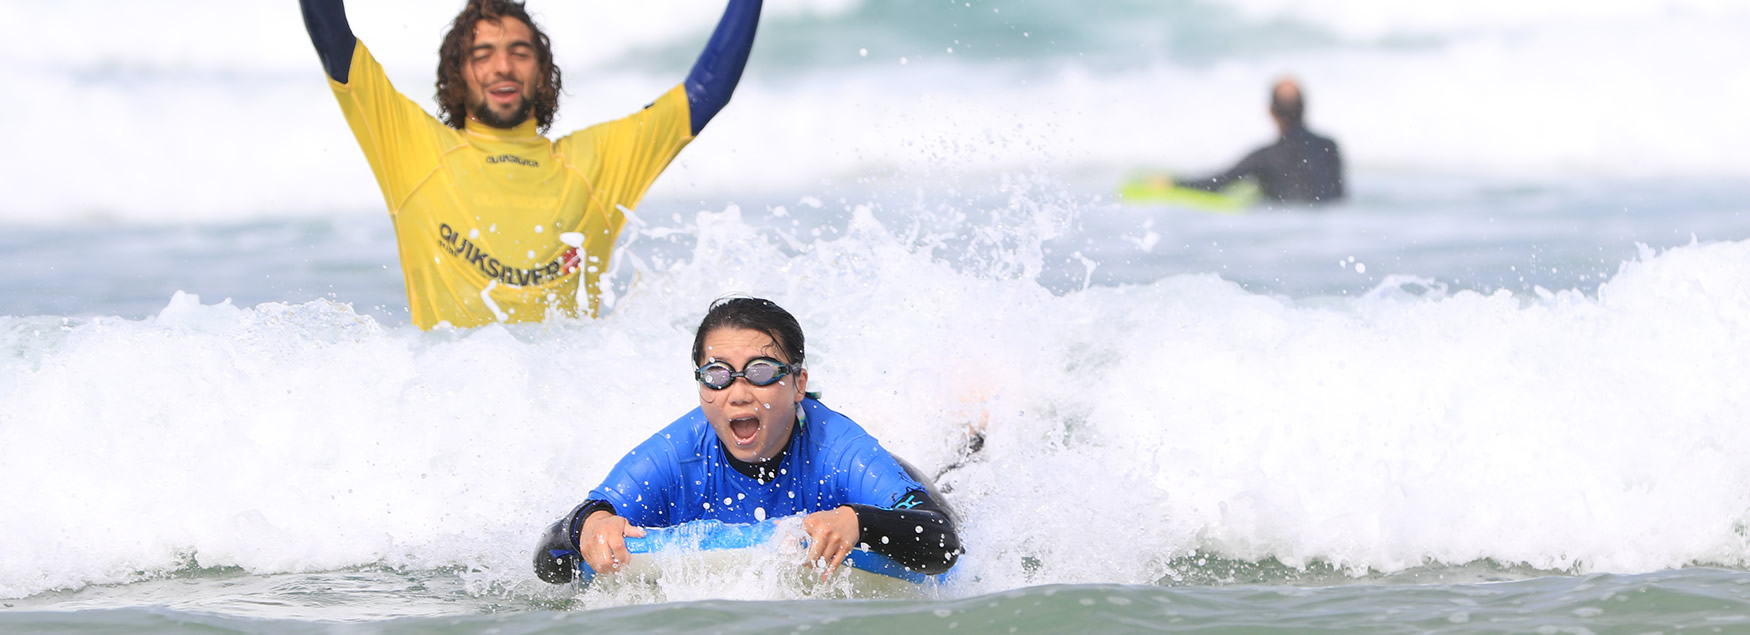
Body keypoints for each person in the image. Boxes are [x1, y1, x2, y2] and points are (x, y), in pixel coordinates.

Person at [298, 0, 761, 329]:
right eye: (482, 55)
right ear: (457, 74)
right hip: (446, 417)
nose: (503, 66)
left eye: (520, 53)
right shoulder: (413, 147)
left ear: (542, 73)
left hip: (563, 418)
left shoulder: (596, 161)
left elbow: (706, 92)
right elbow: (335, 41)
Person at [532, 297, 963, 583]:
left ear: (798, 384)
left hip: (903, 481)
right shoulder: (674, 454)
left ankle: (971, 444)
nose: (737, 393)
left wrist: (858, 521)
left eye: (760, 371)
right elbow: (549, 558)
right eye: (717, 375)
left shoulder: (842, 451)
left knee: (961, 484)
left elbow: (943, 542)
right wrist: (588, 525)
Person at [1175, 76, 1345, 205]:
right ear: (1305, 107)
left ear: (1271, 111)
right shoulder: (1330, 147)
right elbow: (1339, 198)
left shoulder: (1266, 157)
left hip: (1285, 225)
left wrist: (1174, 183)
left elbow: (1217, 183)